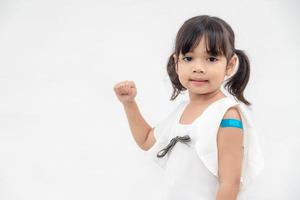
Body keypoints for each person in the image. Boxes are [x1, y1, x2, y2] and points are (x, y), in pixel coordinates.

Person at [113, 15, 264, 200]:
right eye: (188, 57)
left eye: (211, 58)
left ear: (230, 65)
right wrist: (129, 102)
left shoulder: (226, 116)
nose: (198, 67)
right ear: (176, 62)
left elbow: (230, 183)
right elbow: (146, 140)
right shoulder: (182, 110)